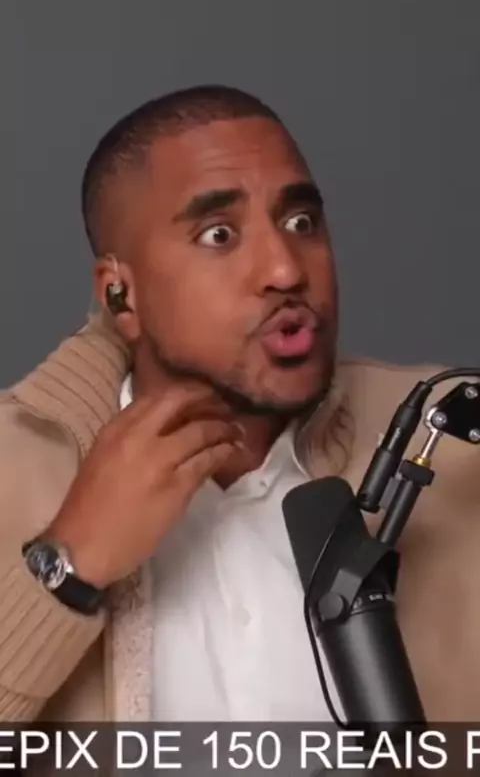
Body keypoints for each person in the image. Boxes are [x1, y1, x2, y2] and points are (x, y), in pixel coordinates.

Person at [0, 84, 479, 727]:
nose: (285, 269)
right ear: (120, 297)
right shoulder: (11, 466)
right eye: (219, 234)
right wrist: (67, 568)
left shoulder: (454, 442)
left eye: (301, 222)